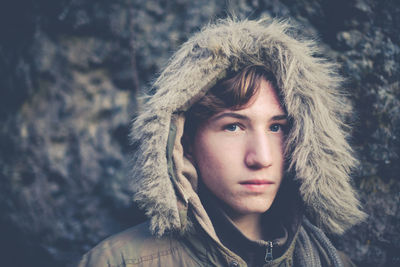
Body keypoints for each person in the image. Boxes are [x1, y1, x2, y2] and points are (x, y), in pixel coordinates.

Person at [79, 17, 366, 267]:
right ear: (185, 141)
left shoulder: (331, 261)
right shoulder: (116, 263)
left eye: (277, 127)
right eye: (233, 127)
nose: (261, 158)